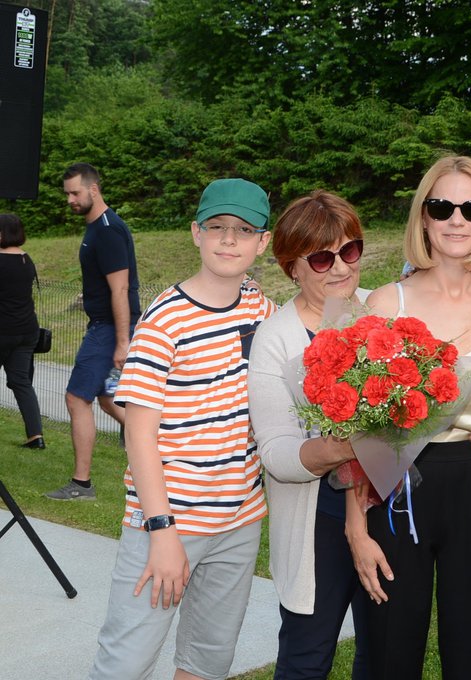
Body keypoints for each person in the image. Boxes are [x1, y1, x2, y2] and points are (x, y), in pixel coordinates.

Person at [348, 155, 471, 680]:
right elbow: (360, 427)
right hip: (401, 483)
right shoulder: (387, 302)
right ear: (423, 217)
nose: (457, 219)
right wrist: (354, 526)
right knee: (391, 646)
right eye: (442, 206)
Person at [87, 178, 276, 680]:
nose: (229, 240)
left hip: (239, 520)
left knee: (206, 661)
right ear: (196, 233)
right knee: (125, 662)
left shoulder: (260, 307)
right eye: (217, 227)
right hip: (170, 521)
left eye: (243, 229)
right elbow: (138, 434)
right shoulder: (164, 320)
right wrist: (161, 530)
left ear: (264, 242)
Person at [248, 190, 377, 679]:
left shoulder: (382, 314)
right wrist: (342, 446)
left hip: (382, 509)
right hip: (315, 521)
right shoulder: (276, 338)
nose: (341, 268)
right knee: (306, 658)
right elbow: (277, 453)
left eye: (351, 250)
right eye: (323, 257)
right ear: (291, 268)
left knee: (382, 651)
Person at [46, 163, 140, 500]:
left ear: (93, 189)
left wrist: (122, 341)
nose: (70, 199)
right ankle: (165, 445)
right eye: (67, 194)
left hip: (110, 328)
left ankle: (81, 484)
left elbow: (120, 289)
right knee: (107, 400)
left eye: (75, 192)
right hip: (102, 325)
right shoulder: (96, 229)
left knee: (76, 398)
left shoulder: (108, 230)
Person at [0, 213, 45, 449]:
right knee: (22, 383)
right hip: (27, 330)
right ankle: (35, 435)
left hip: (3, 330)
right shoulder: (27, 260)